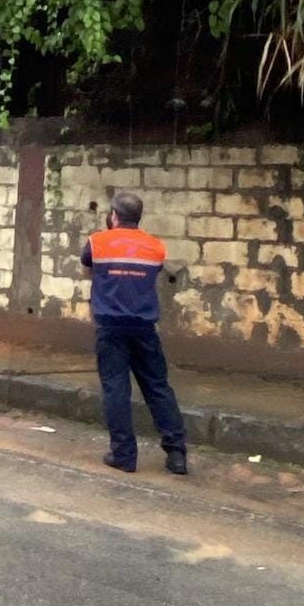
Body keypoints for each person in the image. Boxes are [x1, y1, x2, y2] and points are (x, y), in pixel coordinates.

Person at [81, 192, 188, 475]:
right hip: (144, 327)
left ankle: (124, 455)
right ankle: (177, 453)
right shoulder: (155, 247)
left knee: (116, 388)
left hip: (110, 327)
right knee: (157, 386)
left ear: (114, 215)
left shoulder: (97, 242)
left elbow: (87, 269)